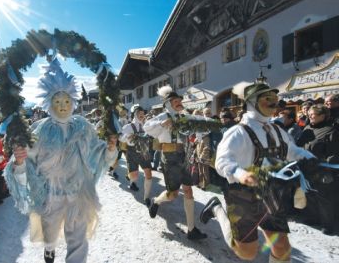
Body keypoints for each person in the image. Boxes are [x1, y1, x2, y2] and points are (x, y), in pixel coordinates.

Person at [5, 59, 117, 263]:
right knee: (50, 230)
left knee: (78, 240)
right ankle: (49, 247)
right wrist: (19, 162)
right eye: (58, 102)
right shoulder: (40, 129)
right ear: (49, 104)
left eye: (67, 102)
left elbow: (98, 152)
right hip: (51, 194)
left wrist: (110, 150)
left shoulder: (83, 126)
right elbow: (26, 160)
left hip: (79, 192)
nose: (63, 106)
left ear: (73, 102)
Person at [199, 81, 315, 262]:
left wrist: (308, 157)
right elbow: (222, 161)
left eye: (275, 98)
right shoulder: (238, 132)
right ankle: (216, 208)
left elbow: (292, 150)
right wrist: (240, 173)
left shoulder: (278, 130)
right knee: (247, 252)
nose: (273, 103)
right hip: (243, 197)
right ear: (252, 102)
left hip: (273, 194)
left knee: (282, 247)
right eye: (267, 99)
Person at [143, 85, 208, 240]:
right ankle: (156, 201)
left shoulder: (184, 116)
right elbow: (146, 128)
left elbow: (198, 130)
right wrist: (161, 124)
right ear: (168, 104)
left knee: (188, 191)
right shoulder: (163, 116)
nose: (179, 102)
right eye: (176, 101)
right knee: (172, 195)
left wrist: (199, 133)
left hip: (184, 155)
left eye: (180, 100)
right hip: (169, 156)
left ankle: (191, 230)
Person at [296, 104, 339, 235]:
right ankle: (313, 218)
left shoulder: (331, 131)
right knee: (309, 195)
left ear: (323, 115)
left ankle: (328, 225)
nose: (309, 116)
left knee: (325, 199)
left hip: (323, 171)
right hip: (306, 169)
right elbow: (299, 145)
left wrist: (322, 162)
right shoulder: (307, 128)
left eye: (312, 114)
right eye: (309, 114)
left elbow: (334, 154)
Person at [119, 104, 153, 205]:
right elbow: (121, 138)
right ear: (135, 114)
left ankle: (146, 197)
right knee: (134, 177)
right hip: (132, 152)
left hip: (144, 152)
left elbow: (153, 134)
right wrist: (127, 137)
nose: (141, 115)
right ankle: (131, 180)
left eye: (143, 114)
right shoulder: (128, 126)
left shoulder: (147, 125)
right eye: (139, 114)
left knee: (149, 174)